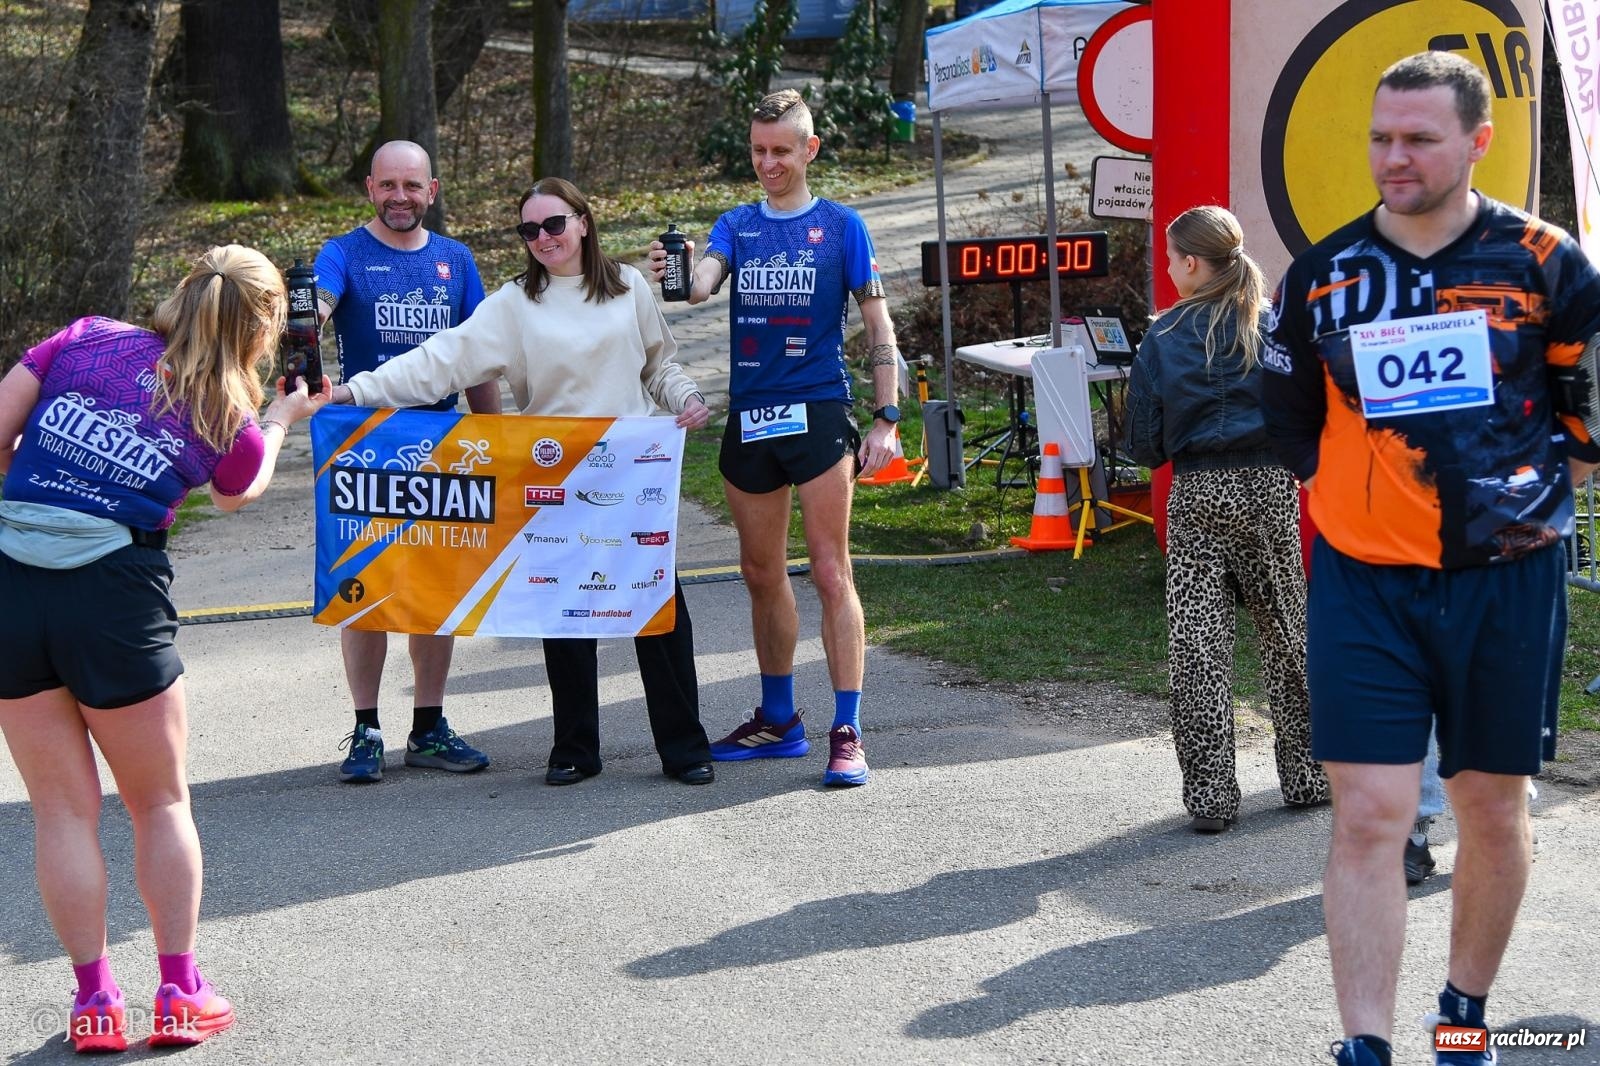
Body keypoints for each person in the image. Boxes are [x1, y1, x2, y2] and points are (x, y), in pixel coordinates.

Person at [1261, 51, 1600, 1066]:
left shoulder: (1548, 263)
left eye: (1417, 137)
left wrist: (1518, 506)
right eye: (1379, 136)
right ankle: (1363, 1042)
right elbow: (1287, 425)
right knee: (1368, 811)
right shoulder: (1323, 275)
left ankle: (1462, 1013)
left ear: (1476, 141)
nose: (1392, 156)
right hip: (1363, 582)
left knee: (1488, 807)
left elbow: (1586, 420)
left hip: (1506, 577)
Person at [0, 246, 329, 1051]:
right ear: (265, 327)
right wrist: (282, 418)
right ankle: (180, 992)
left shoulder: (83, 339)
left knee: (61, 811)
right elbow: (236, 493)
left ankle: (94, 1005)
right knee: (160, 803)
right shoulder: (226, 412)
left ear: (181, 290)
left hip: (10, 582)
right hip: (116, 592)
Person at [331, 176, 717, 786]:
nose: (543, 238)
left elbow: (659, 366)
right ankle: (574, 750)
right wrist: (353, 390)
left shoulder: (630, 287)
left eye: (554, 224)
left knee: (658, 610)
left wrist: (688, 396)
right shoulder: (514, 303)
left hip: (633, 475)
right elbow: (442, 360)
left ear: (583, 222)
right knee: (564, 616)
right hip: (555, 476)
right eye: (529, 230)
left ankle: (685, 748)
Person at [645, 89, 901, 787]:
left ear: (809, 150)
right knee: (760, 574)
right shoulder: (736, 224)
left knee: (829, 570)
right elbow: (700, 288)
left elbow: (878, 326)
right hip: (751, 416)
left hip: (818, 409)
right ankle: (778, 720)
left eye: (781, 151)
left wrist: (888, 416)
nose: (768, 164)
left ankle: (845, 730)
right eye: (759, 151)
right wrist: (679, 271)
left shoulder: (843, 226)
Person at [1125, 205, 1330, 834]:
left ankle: (1212, 794)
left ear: (1190, 264)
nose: (1167, 268)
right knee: (1289, 635)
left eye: (1169, 258)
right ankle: (1306, 774)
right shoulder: (1273, 327)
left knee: (1197, 646)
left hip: (1198, 495)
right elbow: (1309, 411)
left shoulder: (1162, 336)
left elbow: (1144, 445)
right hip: (1270, 486)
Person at [315, 139, 501, 784]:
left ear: (433, 189)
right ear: (370, 188)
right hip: (362, 448)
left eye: (412, 186)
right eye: (388, 185)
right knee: (364, 590)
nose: (400, 197)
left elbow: (477, 357)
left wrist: (497, 438)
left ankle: (429, 726)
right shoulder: (342, 253)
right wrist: (305, 316)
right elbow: (320, 304)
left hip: (442, 449)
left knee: (434, 593)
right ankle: (365, 728)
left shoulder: (457, 260)